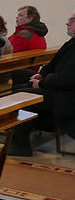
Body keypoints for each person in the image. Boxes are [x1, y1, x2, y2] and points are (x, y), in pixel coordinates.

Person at [9, 11, 75, 156]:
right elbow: (53, 64)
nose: (67, 23)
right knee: (20, 82)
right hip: (59, 89)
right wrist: (41, 75)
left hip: (67, 97)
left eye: (72, 20)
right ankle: (19, 131)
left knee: (22, 97)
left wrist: (43, 83)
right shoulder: (71, 42)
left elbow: (67, 78)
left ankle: (21, 145)